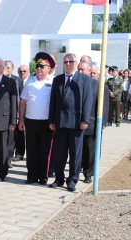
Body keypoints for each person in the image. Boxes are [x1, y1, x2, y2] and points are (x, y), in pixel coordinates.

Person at [48, 53, 92, 192]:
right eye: (65, 62)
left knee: (75, 154)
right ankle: (59, 179)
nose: (68, 64)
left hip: (76, 122)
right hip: (60, 122)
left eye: (70, 61)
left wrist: (85, 119)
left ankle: (72, 180)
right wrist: (51, 120)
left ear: (76, 62)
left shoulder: (84, 79)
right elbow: (53, 102)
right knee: (59, 153)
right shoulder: (58, 79)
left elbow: (87, 100)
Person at [18, 52, 55, 185]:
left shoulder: (53, 81)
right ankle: (31, 175)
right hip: (31, 120)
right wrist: (21, 120)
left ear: (48, 68)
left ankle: (43, 176)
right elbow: (23, 101)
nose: (39, 69)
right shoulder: (30, 81)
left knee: (45, 151)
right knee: (32, 150)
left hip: (46, 122)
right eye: (37, 66)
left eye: (42, 66)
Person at [80, 64, 109, 184]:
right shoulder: (76, 84)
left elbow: (104, 107)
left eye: (93, 73)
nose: (91, 75)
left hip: (92, 124)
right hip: (75, 124)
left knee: (90, 150)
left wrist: (102, 123)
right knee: (79, 150)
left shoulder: (100, 87)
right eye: (79, 69)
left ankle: (88, 173)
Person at [4, 60, 23, 163]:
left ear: (12, 69)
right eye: (4, 67)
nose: (6, 69)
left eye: (8, 67)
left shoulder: (17, 80)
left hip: (13, 113)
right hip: (1, 114)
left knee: (11, 138)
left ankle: (9, 158)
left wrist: (18, 115)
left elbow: (20, 99)